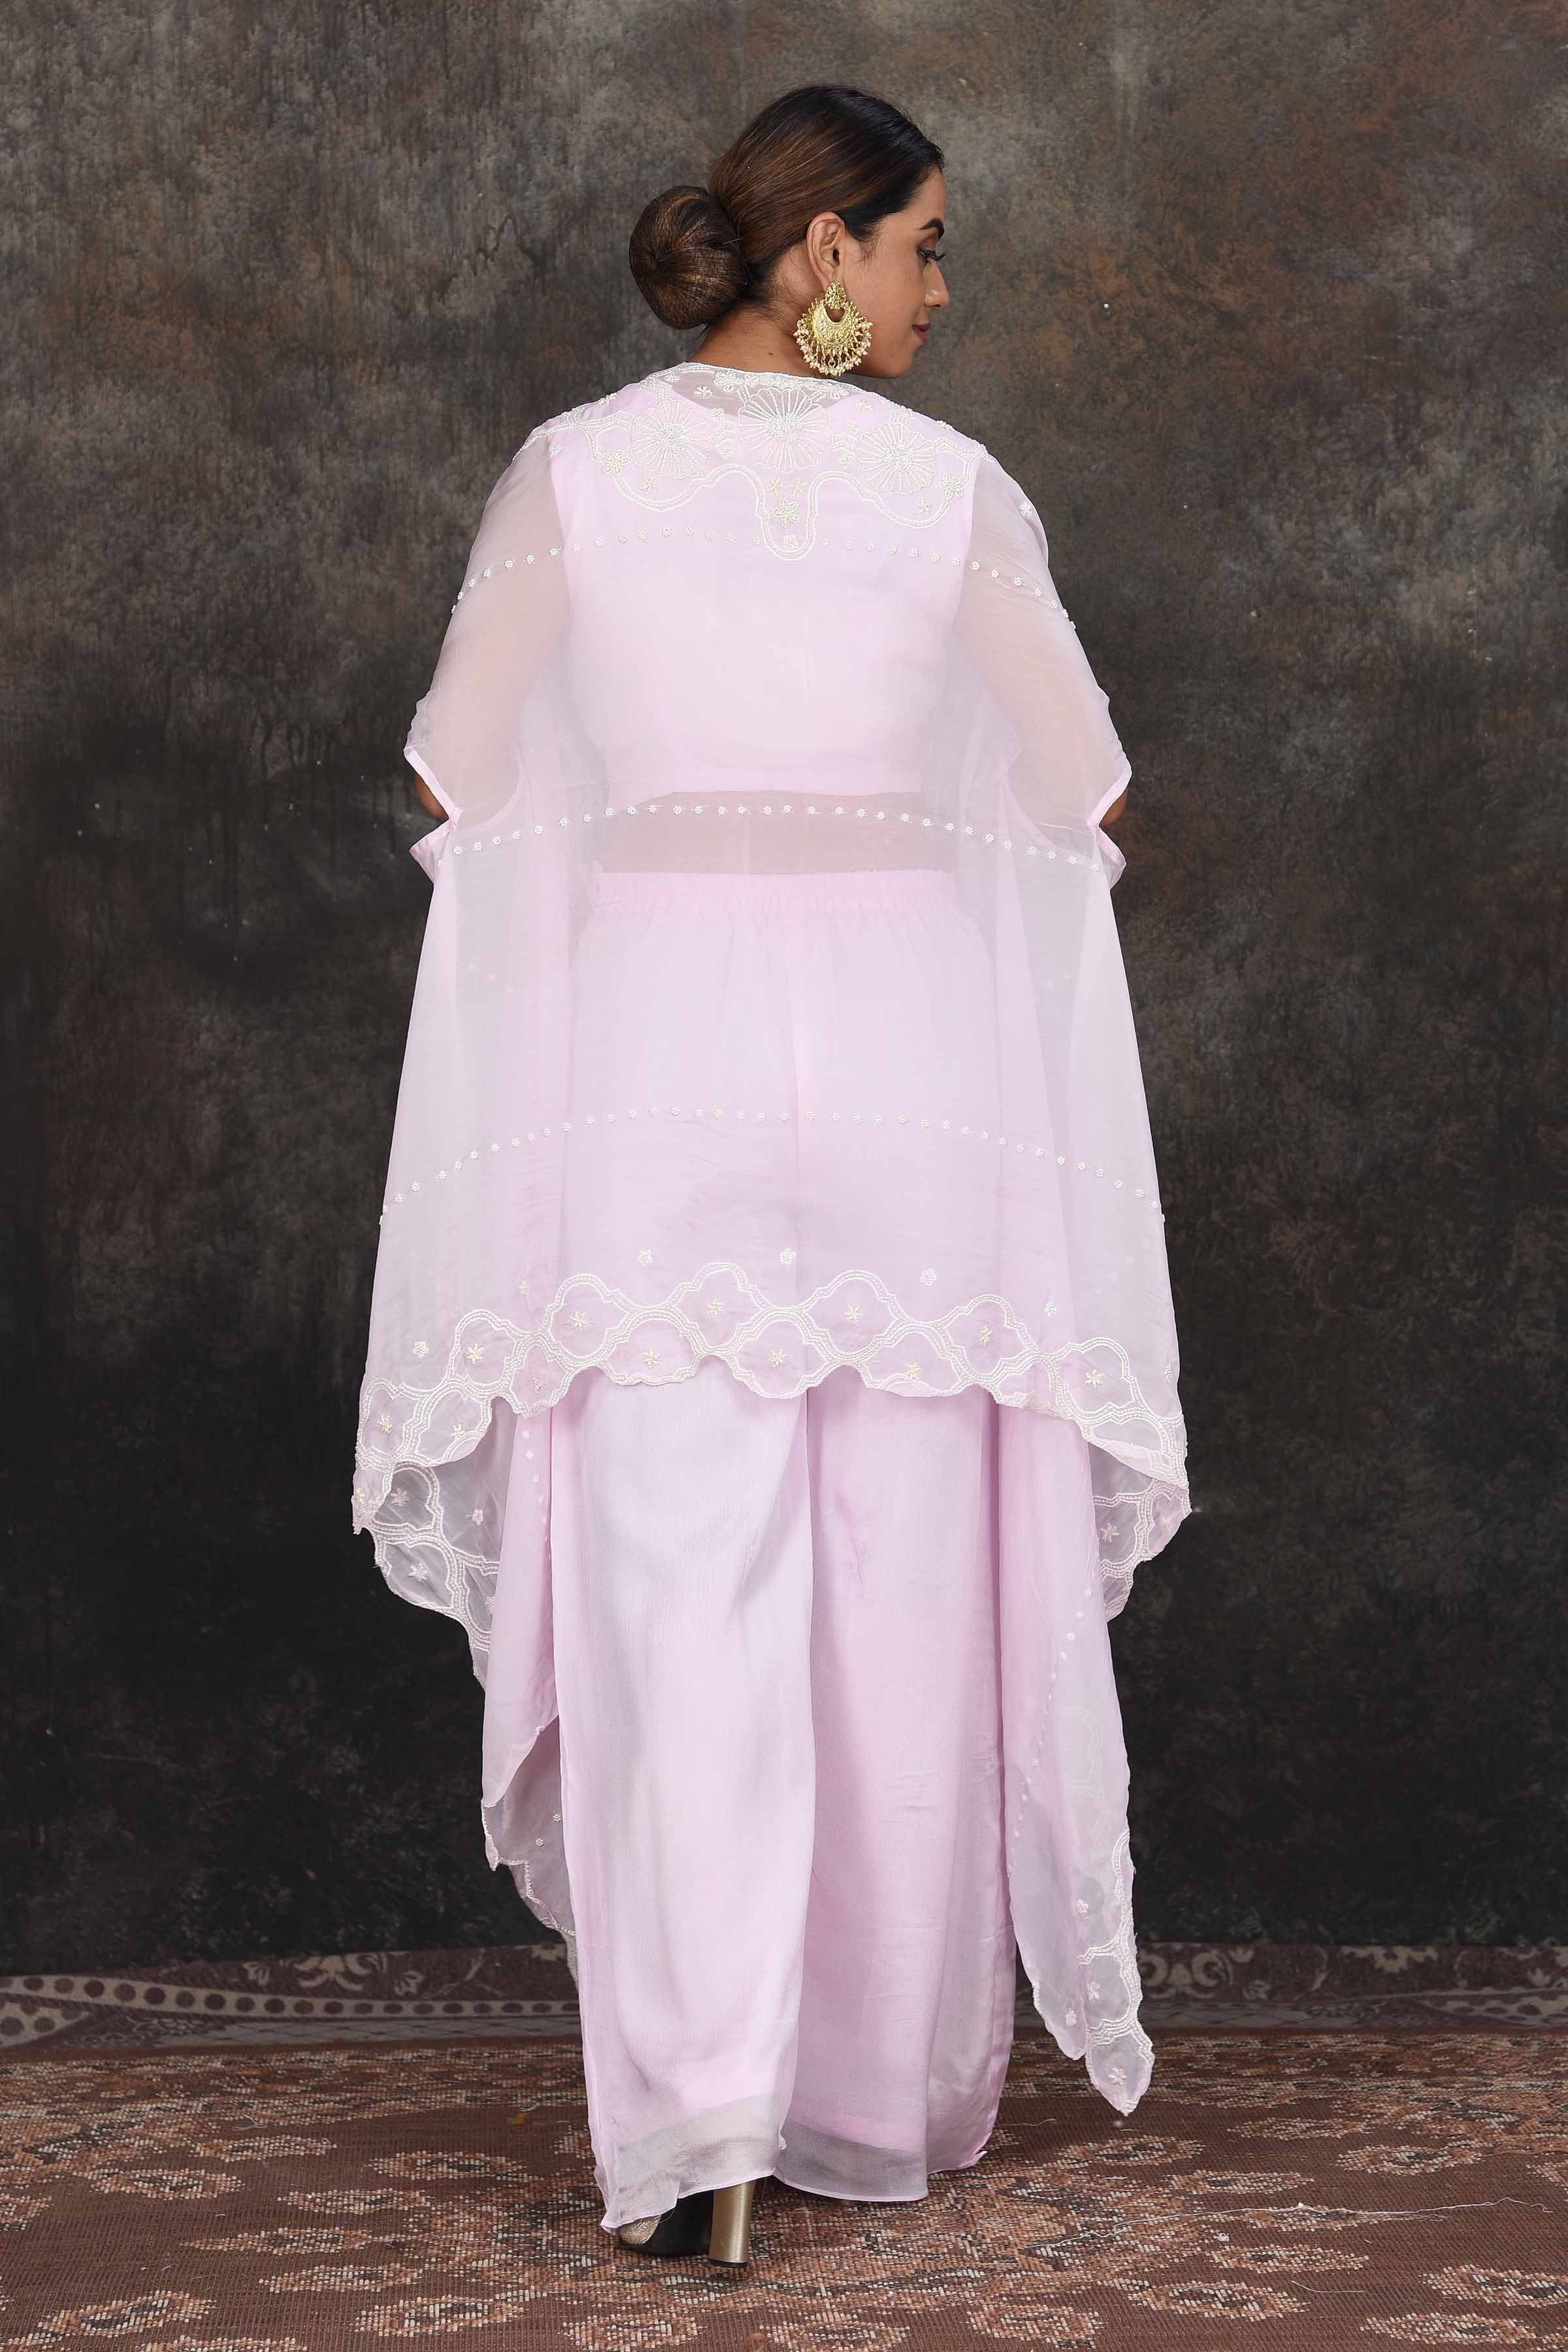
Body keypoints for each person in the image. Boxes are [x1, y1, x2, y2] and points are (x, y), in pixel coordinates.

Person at [352, 83, 1190, 2269]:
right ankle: (864, 2096)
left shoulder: (573, 475)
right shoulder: (949, 492)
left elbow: (458, 773)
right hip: (910, 1093)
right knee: (899, 1596)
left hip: (656, 1084)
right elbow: (1084, 795)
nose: (938, 292)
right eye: (922, 247)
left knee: (676, 1607)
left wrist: (649, 826)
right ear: (824, 254)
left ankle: (703, 2123)